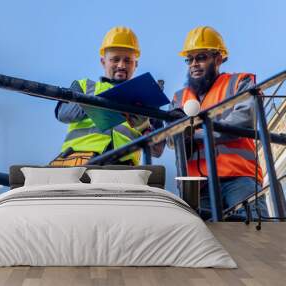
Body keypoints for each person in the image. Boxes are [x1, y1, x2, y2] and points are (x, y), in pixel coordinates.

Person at [169, 26, 268, 219]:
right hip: (198, 187)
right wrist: (182, 134)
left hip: (238, 178)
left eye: (201, 57)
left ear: (218, 59)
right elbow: (172, 140)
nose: (194, 64)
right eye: (190, 59)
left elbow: (244, 120)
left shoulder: (239, 82)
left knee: (254, 240)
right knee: (206, 244)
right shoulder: (179, 98)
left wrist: (195, 133)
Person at [51, 26, 164, 166]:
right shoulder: (84, 86)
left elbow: (157, 151)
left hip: (123, 170)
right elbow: (63, 114)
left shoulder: (146, 101)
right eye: (115, 59)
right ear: (103, 62)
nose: (121, 65)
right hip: (78, 162)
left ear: (136, 64)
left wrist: (143, 126)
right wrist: (102, 102)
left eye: (128, 60)